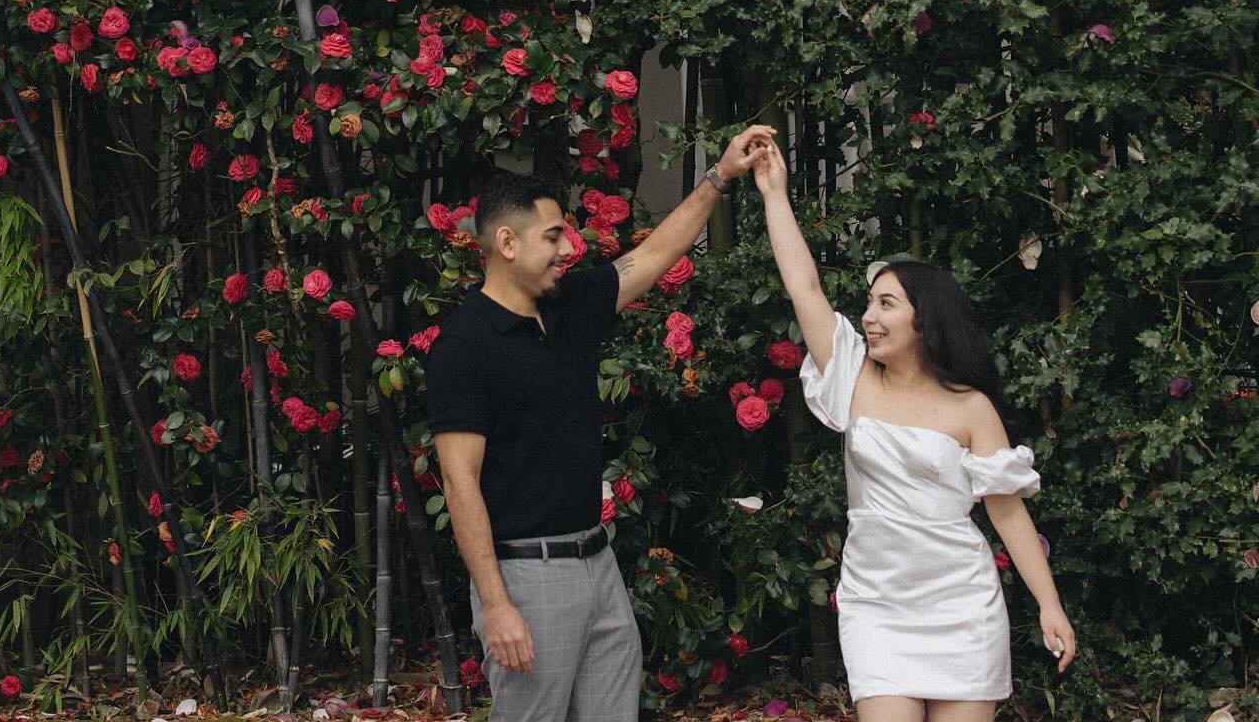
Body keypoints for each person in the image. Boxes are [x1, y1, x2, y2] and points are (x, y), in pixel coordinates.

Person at [425, 126, 775, 722]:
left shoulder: (569, 307)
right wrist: (497, 605)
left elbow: (655, 254)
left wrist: (719, 176)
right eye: (554, 235)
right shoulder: (465, 347)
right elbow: (460, 484)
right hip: (527, 576)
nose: (570, 248)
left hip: (598, 562)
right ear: (507, 242)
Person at [754, 139, 1076, 721]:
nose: (868, 318)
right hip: (877, 602)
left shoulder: (972, 407)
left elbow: (1006, 512)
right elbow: (804, 287)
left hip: (962, 604)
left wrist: (1049, 605)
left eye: (885, 305)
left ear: (924, 319)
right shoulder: (851, 375)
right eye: (869, 305)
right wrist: (775, 194)